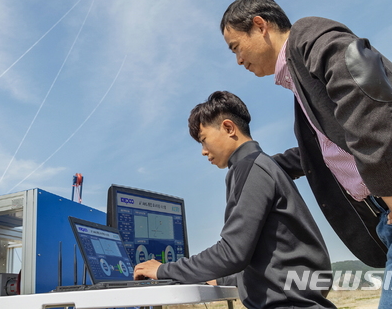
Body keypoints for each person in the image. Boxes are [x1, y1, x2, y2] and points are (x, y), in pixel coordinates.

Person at [220, 0, 392, 308]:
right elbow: (323, 153)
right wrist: (255, 165)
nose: (238, 60)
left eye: (235, 46)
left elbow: (363, 91)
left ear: (260, 26)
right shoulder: (300, 84)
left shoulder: (310, 37)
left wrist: (386, 184)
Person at [133, 91, 336, 309]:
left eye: (203, 140)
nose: (203, 151)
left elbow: (232, 253)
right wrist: (219, 279)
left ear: (229, 128)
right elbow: (267, 261)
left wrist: (163, 270)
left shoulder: (251, 168)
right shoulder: (261, 166)